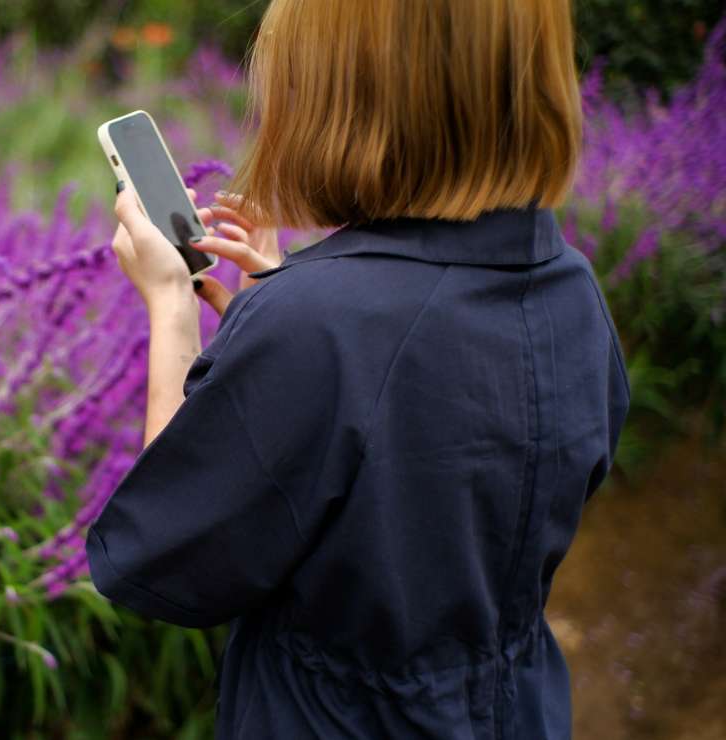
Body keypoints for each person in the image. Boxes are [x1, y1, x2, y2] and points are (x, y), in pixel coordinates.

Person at [85, 0, 632, 738]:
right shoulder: (571, 286)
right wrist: (278, 312)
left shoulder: (319, 323)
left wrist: (172, 309)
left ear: (343, 96)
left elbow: (160, 559)